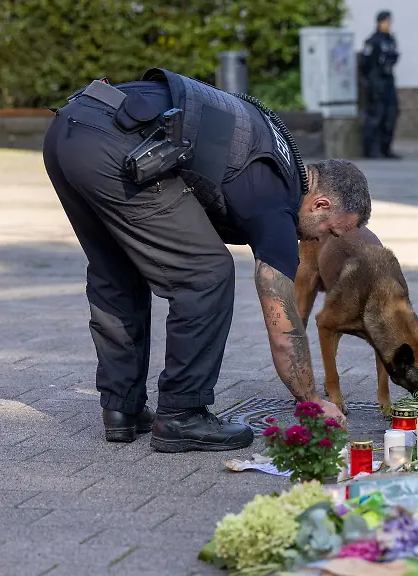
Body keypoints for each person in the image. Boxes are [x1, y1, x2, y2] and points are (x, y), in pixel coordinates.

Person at [42, 70, 368, 452]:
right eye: (332, 230)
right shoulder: (277, 202)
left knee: (117, 268)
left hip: (71, 126)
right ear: (321, 204)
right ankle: (183, 414)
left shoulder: (277, 153)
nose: (320, 240)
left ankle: (122, 408)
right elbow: (283, 327)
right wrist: (311, 400)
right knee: (206, 273)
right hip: (116, 146)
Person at [360, 10, 401, 159]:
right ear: (379, 22)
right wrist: (371, 82)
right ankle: (371, 150)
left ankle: (385, 148)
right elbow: (364, 64)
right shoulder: (373, 41)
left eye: (389, 22)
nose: (388, 25)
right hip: (376, 83)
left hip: (388, 82)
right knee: (376, 116)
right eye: (386, 21)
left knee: (390, 115)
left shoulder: (390, 40)